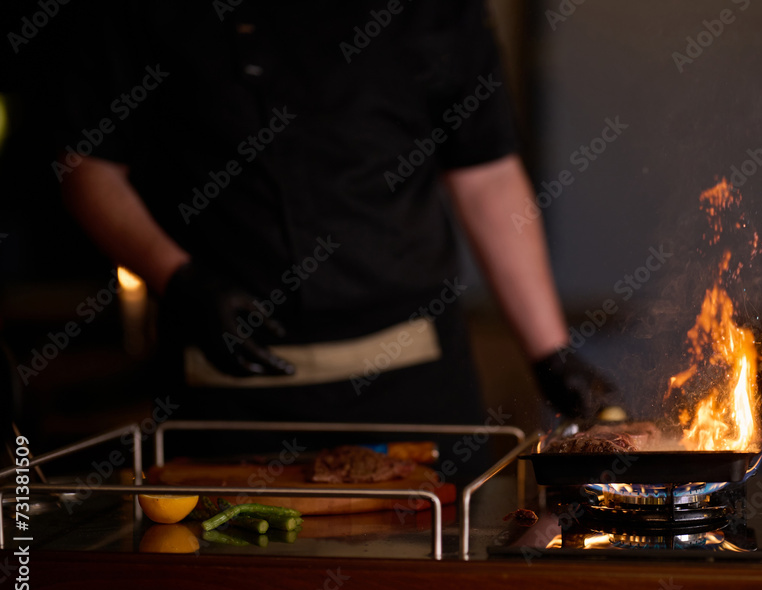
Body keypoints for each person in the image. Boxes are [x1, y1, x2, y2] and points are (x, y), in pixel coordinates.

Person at [56, 0, 611, 456]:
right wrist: (175, 278)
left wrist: (550, 351)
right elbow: (87, 170)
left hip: (414, 386)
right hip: (222, 391)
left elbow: (486, 176)